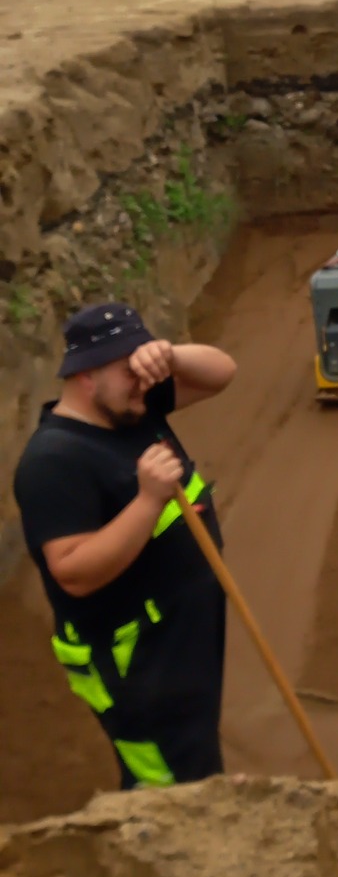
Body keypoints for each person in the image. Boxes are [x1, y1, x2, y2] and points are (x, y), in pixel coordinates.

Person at [13, 302, 237, 791]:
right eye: (128, 370)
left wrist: (170, 356)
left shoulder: (131, 406)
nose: (143, 381)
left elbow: (223, 372)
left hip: (177, 634)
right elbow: (71, 570)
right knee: (165, 780)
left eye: (143, 366)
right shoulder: (53, 462)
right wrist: (148, 500)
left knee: (192, 750)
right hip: (135, 659)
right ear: (86, 377)